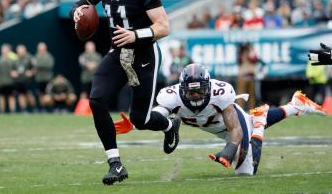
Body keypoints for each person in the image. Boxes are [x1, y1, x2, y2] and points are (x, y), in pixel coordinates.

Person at [72, 0, 176, 185]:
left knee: (141, 120)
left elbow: (163, 27)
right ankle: (115, 164)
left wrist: (134, 34)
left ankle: (169, 126)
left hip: (144, 53)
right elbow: (85, 2)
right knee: (96, 99)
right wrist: (76, 12)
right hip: (118, 52)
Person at [114, 63, 326, 175]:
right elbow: (158, 115)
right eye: (191, 92)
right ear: (181, 89)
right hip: (219, 129)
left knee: (246, 172)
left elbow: (235, 129)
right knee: (252, 128)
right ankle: (293, 106)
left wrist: (229, 151)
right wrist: (136, 123)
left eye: (200, 91)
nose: (195, 96)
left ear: (208, 86)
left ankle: (259, 125)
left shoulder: (220, 93)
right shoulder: (170, 96)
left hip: (233, 128)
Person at [0, 44, 17, 113]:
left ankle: (12, 110)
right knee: (1, 96)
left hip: (10, 82)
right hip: (2, 82)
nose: (4, 51)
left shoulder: (12, 60)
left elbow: (16, 69)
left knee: (11, 96)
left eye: (5, 49)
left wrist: (15, 73)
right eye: (3, 49)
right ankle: (2, 111)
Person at [237, 43, 258, 110]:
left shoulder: (252, 53)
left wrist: (250, 50)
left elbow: (253, 59)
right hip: (243, 76)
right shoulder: (242, 53)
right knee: (241, 95)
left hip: (251, 76)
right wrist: (243, 50)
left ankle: (252, 109)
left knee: (251, 95)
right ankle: (239, 109)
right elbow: (240, 60)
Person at [33, 42, 54, 109]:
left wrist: (39, 65)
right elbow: (34, 65)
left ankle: (50, 108)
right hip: (39, 78)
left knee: (48, 94)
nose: (41, 49)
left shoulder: (49, 56)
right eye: (39, 48)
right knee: (40, 94)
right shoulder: (36, 56)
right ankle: (43, 108)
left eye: (42, 48)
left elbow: (49, 65)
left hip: (48, 78)